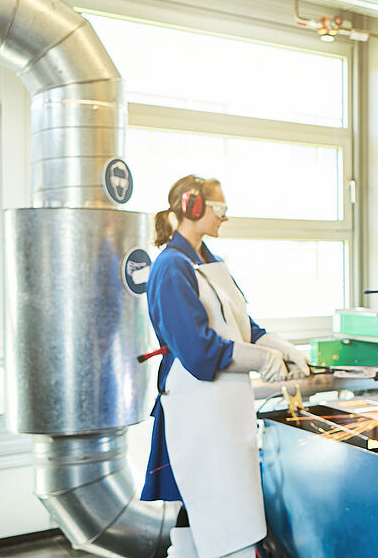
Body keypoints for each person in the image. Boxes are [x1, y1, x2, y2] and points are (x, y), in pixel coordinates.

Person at [140, 175, 311, 558]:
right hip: (197, 409)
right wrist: (263, 360)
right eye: (220, 209)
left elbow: (243, 326)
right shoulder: (172, 268)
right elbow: (199, 353)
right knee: (216, 510)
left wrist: (283, 348)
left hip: (225, 409)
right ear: (193, 208)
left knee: (217, 511)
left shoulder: (211, 262)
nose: (225, 217)